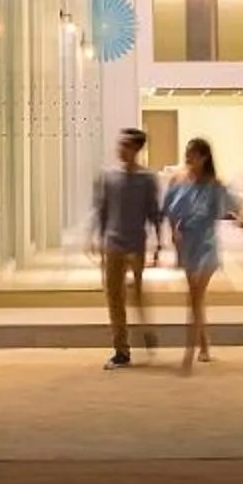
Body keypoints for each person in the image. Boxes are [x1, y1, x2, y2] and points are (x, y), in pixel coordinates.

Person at [163, 137, 241, 374]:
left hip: (207, 245)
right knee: (196, 296)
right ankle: (204, 344)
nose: (188, 158)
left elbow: (234, 206)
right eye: (187, 153)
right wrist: (174, 232)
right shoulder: (179, 182)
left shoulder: (214, 184)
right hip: (187, 244)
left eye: (193, 154)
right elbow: (170, 210)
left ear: (204, 157)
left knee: (195, 296)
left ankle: (189, 352)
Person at [92, 127, 163, 369]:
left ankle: (146, 328)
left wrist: (159, 244)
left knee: (137, 294)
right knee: (114, 297)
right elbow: (102, 209)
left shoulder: (147, 179)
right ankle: (121, 350)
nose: (120, 149)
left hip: (136, 244)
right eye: (120, 144)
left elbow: (154, 212)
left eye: (125, 145)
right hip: (113, 244)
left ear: (136, 149)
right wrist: (98, 238)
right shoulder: (109, 177)